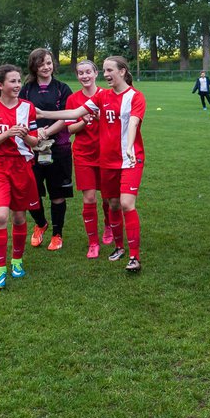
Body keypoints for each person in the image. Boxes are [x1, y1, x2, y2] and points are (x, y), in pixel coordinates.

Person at [37, 56, 147, 272]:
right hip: (107, 161)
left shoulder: (136, 96)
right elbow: (74, 113)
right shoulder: (102, 96)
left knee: (126, 203)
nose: (106, 74)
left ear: (122, 71)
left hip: (131, 158)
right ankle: (118, 247)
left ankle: (134, 256)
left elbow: (134, 121)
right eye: (104, 70)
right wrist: (43, 113)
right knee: (113, 203)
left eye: (109, 70)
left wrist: (129, 145)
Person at [0, 64, 41, 289]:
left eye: (18, 81)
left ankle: (16, 261)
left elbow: (35, 142)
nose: (17, 86)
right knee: (1, 216)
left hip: (22, 167)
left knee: (19, 218)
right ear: (0, 85)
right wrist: (7, 133)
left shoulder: (28, 107)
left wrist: (25, 137)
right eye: (12, 82)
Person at [19, 48, 74, 252]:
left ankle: (57, 234)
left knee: (57, 193)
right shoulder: (25, 89)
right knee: (32, 192)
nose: (46, 67)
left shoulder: (62, 88)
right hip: (31, 148)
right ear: (34, 66)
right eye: (41, 64)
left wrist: (46, 131)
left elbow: (67, 116)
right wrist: (35, 133)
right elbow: (20, 114)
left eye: (49, 63)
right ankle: (41, 223)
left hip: (58, 148)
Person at [59, 59, 105, 260]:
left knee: (111, 200)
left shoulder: (106, 95)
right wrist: (84, 121)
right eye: (80, 73)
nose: (84, 76)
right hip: (83, 154)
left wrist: (99, 117)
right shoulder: (73, 99)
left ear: (96, 73)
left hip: (106, 153)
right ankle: (93, 242)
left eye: (88, 72)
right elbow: (69, 129)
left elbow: (115, 125)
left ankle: (111, 227)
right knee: (89, 198)